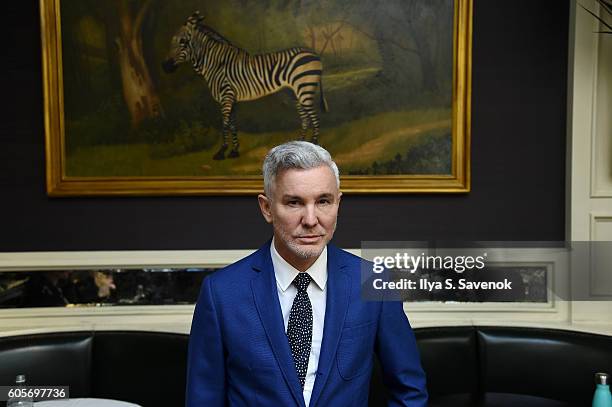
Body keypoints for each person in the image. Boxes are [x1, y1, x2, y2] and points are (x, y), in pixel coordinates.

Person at [186, 141, 427, 406]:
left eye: (323, 201)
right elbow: (203, 398)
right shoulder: (221, 293)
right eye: (294, 203)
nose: (311, 220)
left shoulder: (374, 280)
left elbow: (409, 390)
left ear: (338, 203)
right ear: (267, 208)